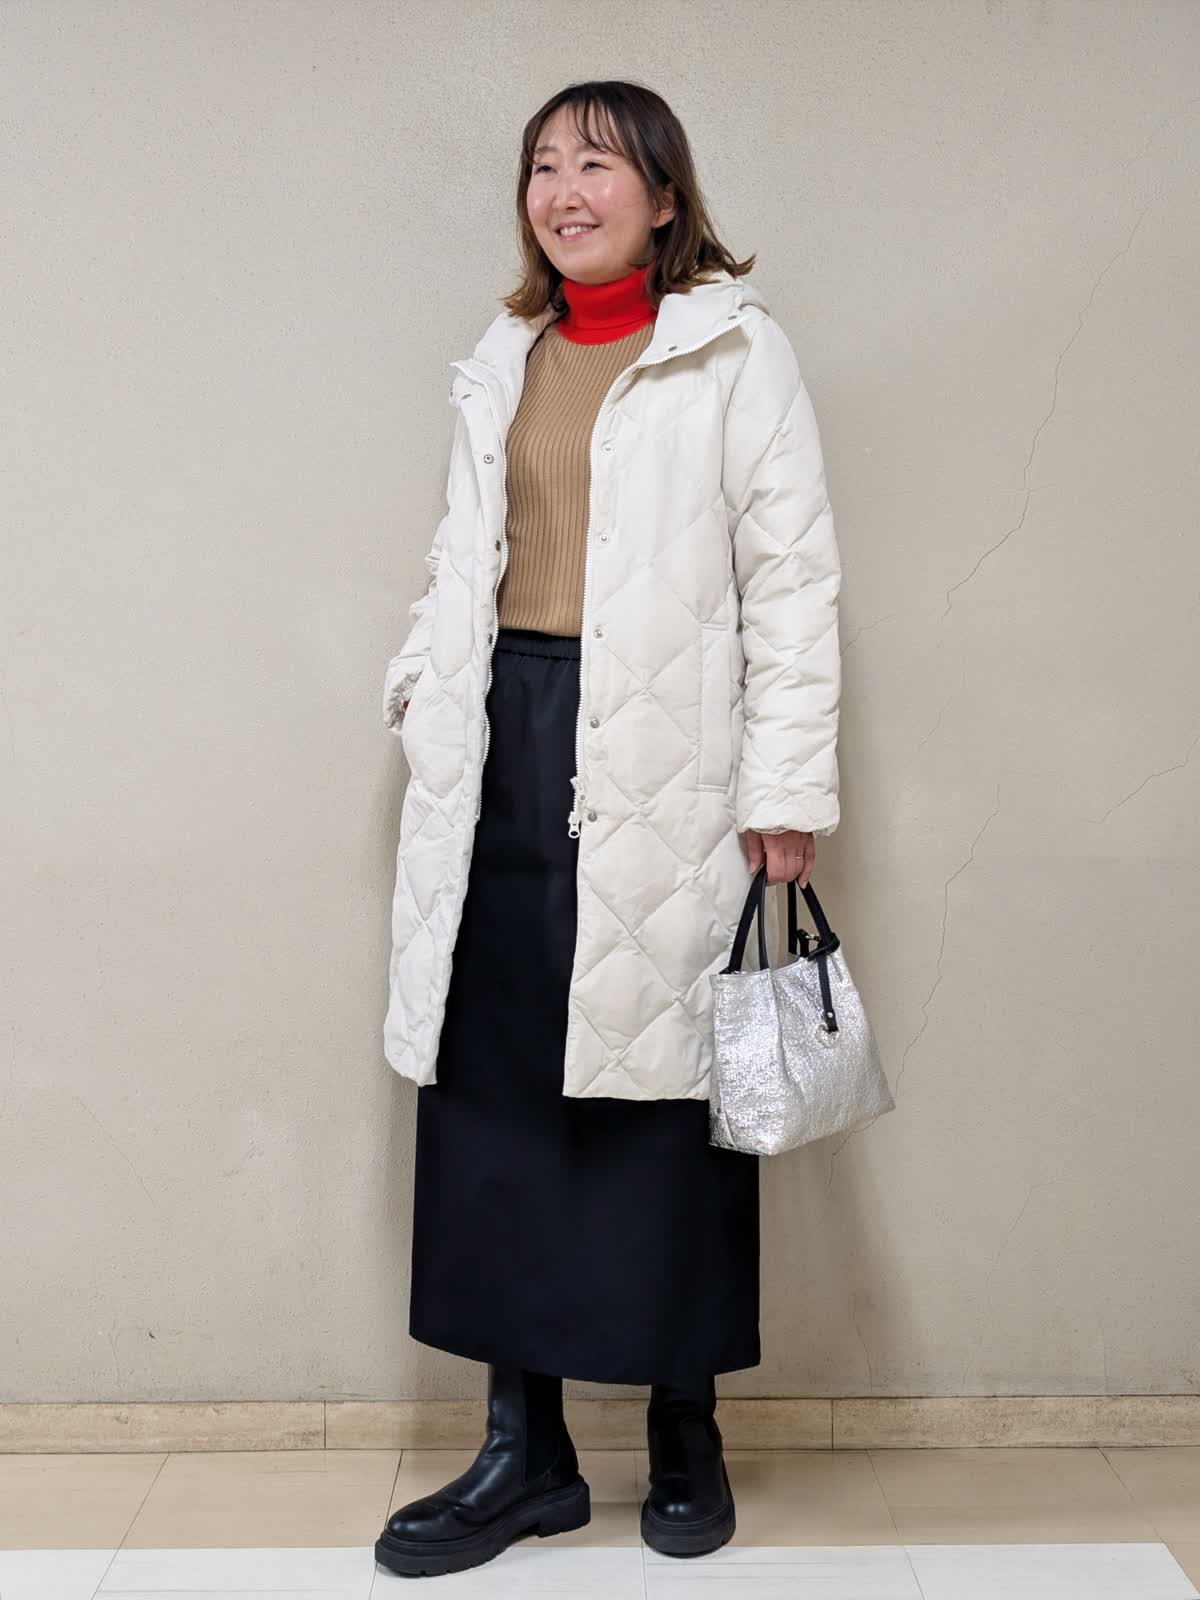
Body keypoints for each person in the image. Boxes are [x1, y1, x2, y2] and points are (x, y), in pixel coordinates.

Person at [374, 79, 842, 1580]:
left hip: (667, 749)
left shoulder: (731, 351)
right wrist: (419, 686)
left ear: (663, 196)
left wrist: (785, 794)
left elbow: (793, 583)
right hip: (502, 740)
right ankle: (526, 1451)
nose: (563, 190)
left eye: (595, 164)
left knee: (663, 1087)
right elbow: (464, 556)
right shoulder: (504, 357)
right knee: (494, 1084)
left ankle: (684, 1424)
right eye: (541, 166)